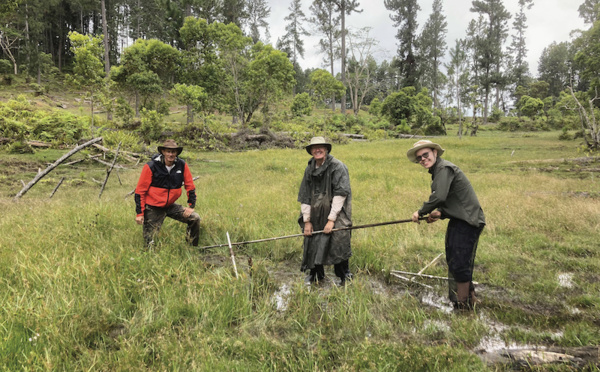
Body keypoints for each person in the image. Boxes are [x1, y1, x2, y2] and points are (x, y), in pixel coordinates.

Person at [407, 140, 485, 310]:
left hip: (468, 221)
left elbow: (440, 196)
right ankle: (469, 300)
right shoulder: (438, 170)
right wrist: (440, 213)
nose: (423, 159)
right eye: (419, 158)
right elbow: (453, 197)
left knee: (459, 261)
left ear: (435, 152)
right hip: (460, 219)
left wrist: (420, 212)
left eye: (425, 154)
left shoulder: (443, 168)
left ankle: (462, 305)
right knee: (455, 257)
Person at [297, 137, 353, 286]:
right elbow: (305, 195)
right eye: (314, 148)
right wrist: (307, 220)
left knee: (339, 237)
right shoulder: (309, 169)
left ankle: (344, 274)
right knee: (312, 237)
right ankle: (316, 273)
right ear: (311, 151)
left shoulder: (337, 167)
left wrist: (331, 219)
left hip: (336, 210)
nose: (318, 150)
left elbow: (341, 194)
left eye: (321, 147)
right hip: (315, 211)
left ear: (326, 149)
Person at [134, 139, 201, 248]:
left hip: (170, 205)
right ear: (163, 152)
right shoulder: (151, 166)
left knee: (195, 218)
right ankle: (150, 256)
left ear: (176, 153)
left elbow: (190, 186)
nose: (171, 154)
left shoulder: (182, 165)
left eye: (173, 152)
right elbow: (140, 191)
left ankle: (191, 248)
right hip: (153, 207)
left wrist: (191, 206)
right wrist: (140, 213)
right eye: (168, 151)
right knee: (150, 242)